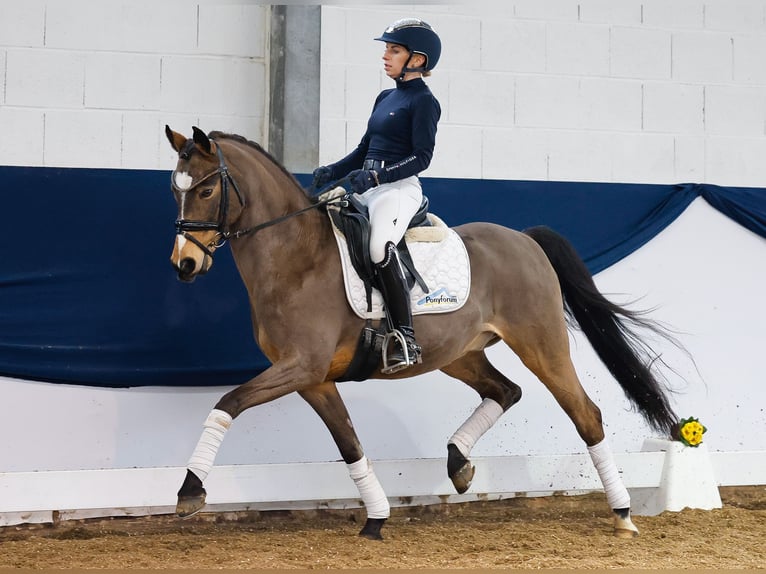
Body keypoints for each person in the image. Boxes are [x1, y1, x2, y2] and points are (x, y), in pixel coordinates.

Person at [312, 18, 442, 373]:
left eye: (394, 50)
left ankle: (405, 336)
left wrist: (378, 176)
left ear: (417, 60)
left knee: (378, 246)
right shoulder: (386, 97)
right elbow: (364, 149)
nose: (385, 55)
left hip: (397, 190)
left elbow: (423, 157)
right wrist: (333, 171)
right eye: (386, 48)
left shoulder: (424, 102)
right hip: (367, 186)